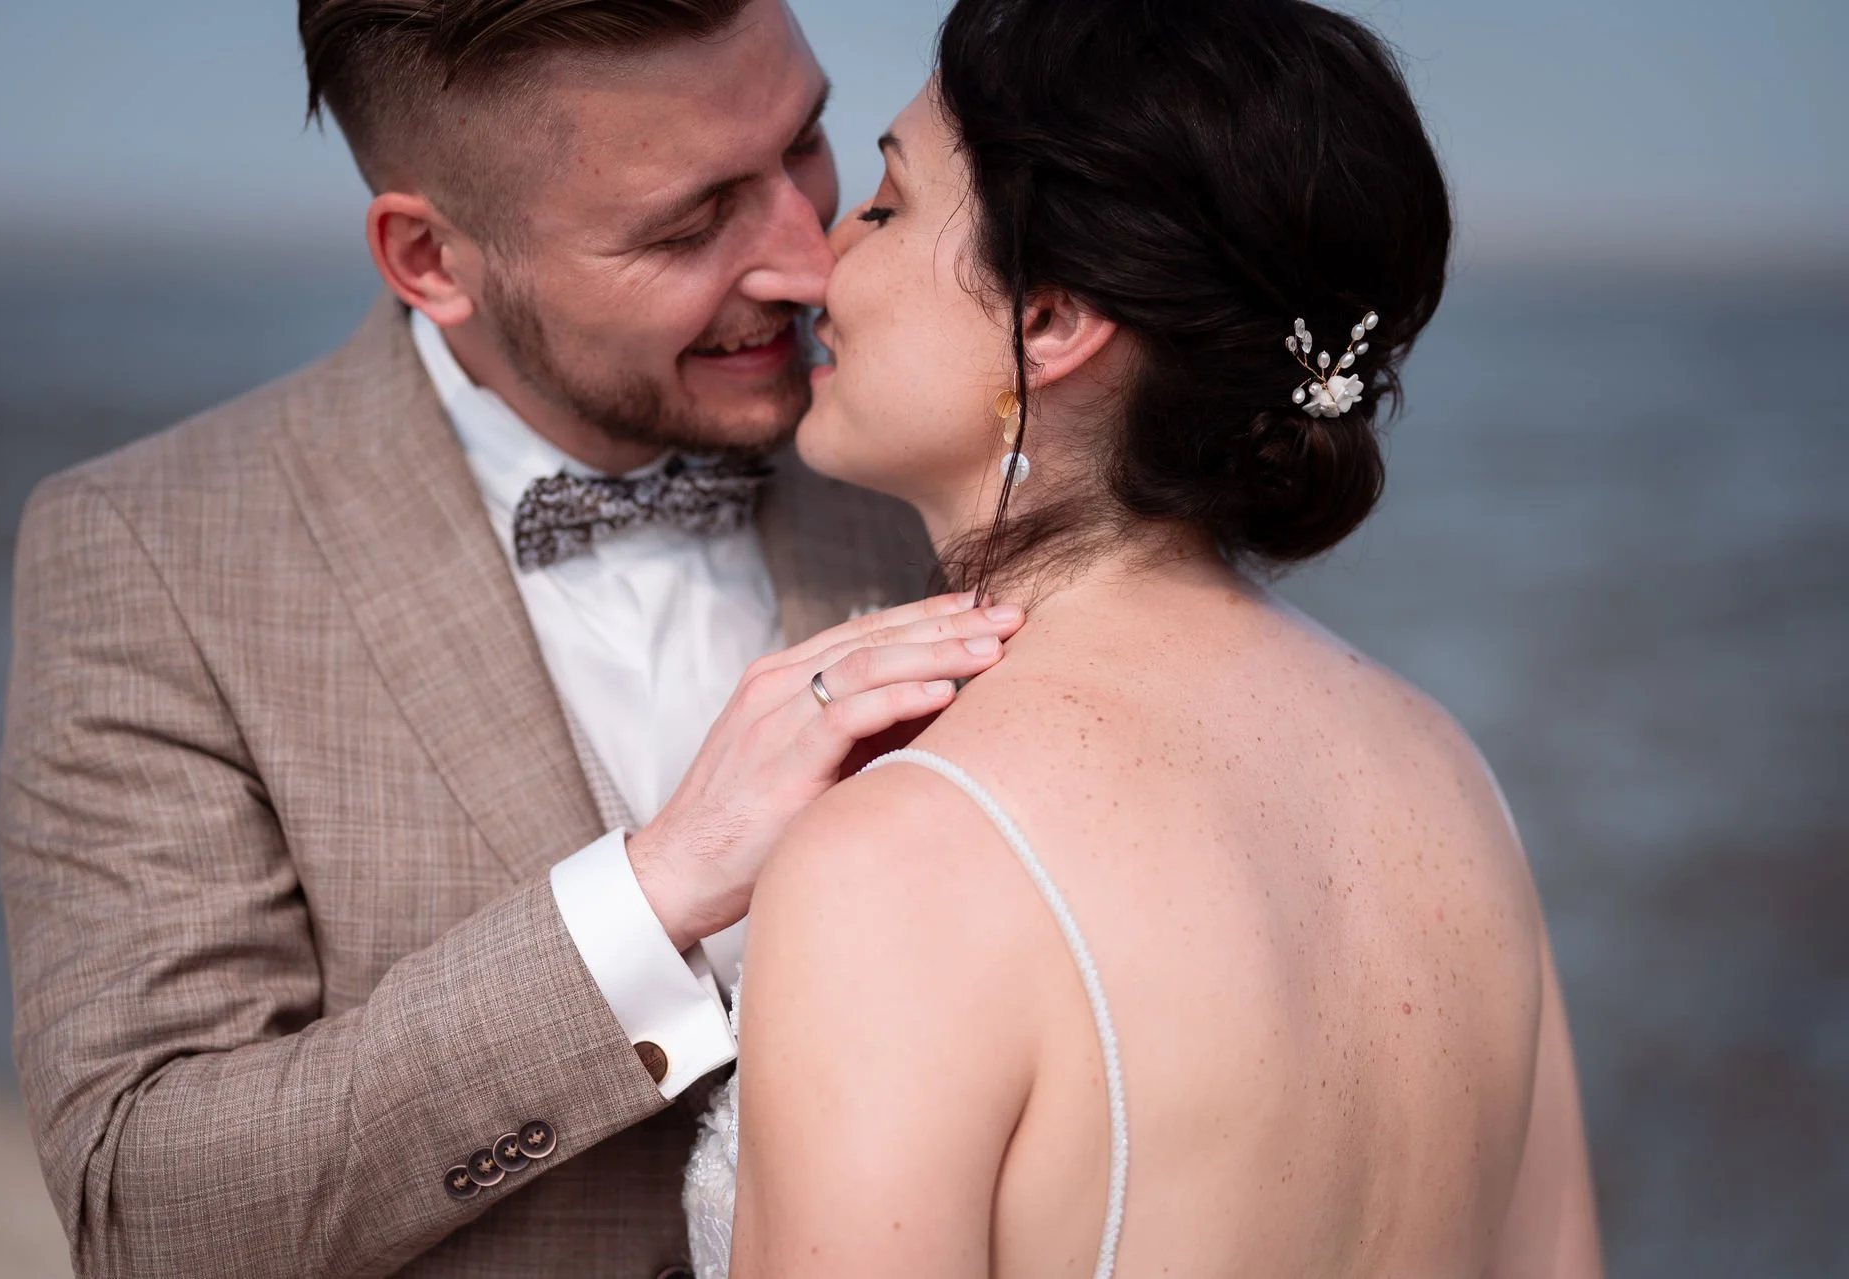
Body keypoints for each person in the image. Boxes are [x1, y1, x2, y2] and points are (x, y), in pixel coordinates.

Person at [0, 2, 1020, 1275]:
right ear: (430, 256)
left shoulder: (953, 466)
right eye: (688, 224)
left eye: (806, 142)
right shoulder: (154, 555)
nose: (809, 263)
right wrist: (654, 894)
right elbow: (150, 1208)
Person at [682, 1, 1603, 1276]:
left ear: (1054, 318)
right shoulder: (1451, 778)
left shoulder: (904, 861)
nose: (821, 258)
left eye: (885, 207)